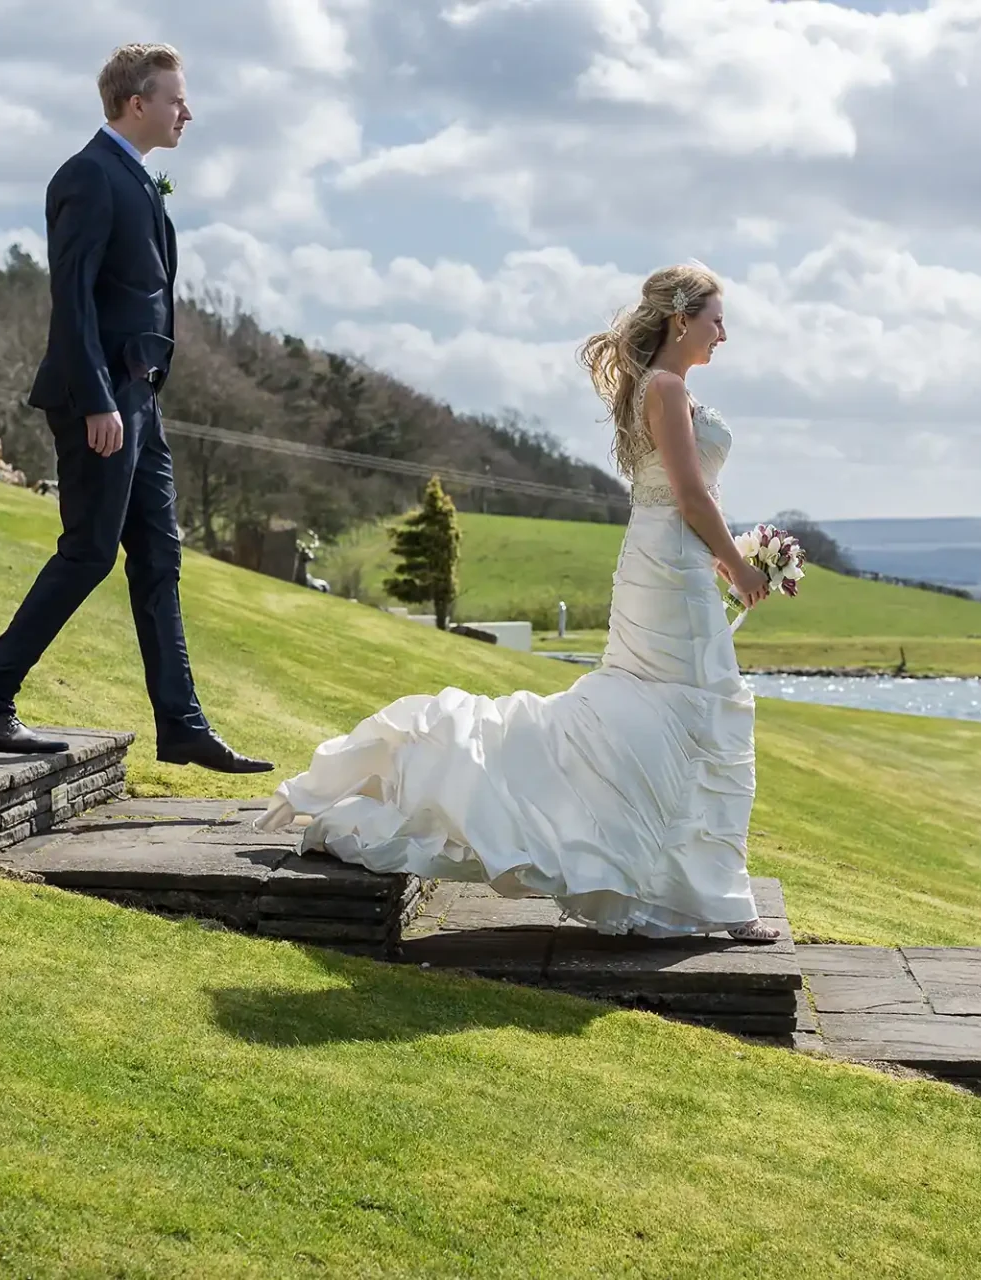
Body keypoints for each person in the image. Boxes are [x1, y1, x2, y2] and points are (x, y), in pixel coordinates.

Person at [257, 264, 782, 942]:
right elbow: (688, 493)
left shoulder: (654, 386)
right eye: (716, 318)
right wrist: (739, 565)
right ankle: (698, 894)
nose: (724, 333)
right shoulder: (668, 386)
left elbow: (681, 497)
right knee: (691, 707)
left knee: (671, 714)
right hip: (666, 570)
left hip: (665, 560)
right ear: (683, 319)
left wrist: (721, 552)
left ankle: (685, 887)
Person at [0, 43, 269, 775]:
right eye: (175, 99)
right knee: (90, 552)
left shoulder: (134, 178)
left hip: (140, 403)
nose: (186, 112)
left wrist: (132, 400)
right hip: (99, 400)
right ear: (137, 103)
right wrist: (98, 399)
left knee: (160, 558)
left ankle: (183, 725)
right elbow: (72, 298)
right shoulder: (89, 175)